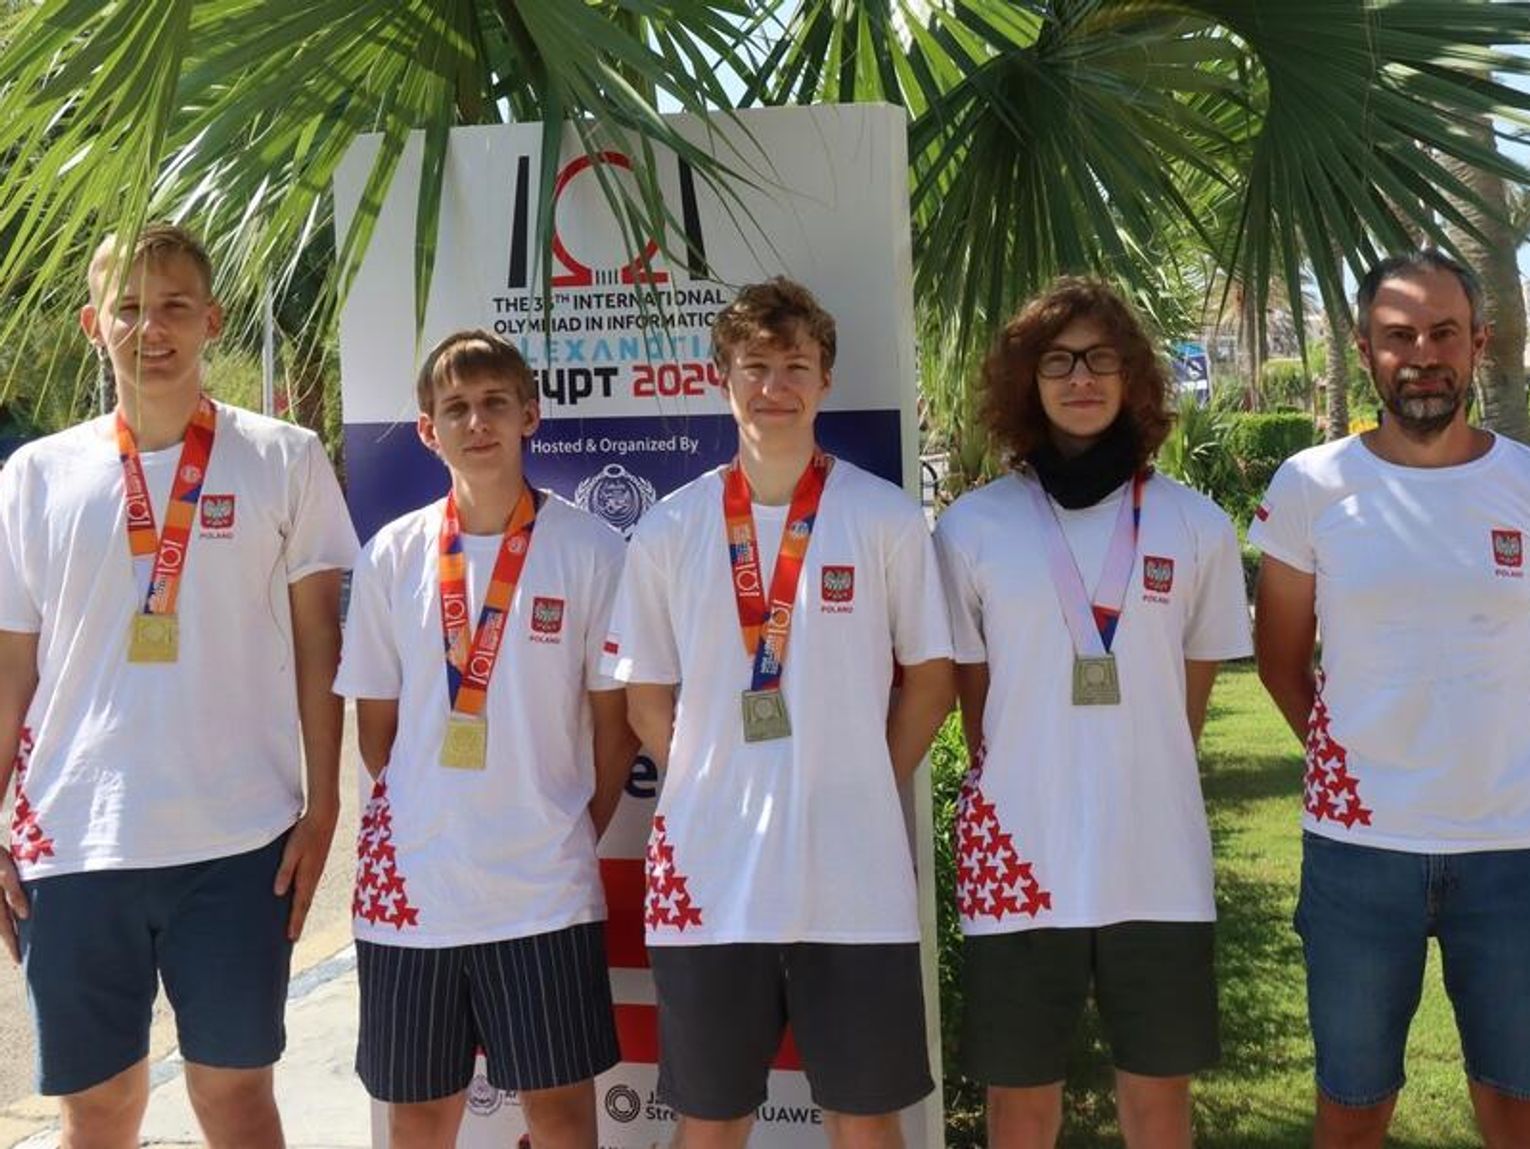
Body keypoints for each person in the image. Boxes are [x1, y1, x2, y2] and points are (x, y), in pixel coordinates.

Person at [0, 223, 357, 1148]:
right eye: (128, 308)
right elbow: (11, 670)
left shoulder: (285, 456)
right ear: (93, 324)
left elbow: (321, 645)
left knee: (235, 1098)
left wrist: (324, 806)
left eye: (173, 307)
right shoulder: (35, 476)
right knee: (99, 1109)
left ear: (212, 321)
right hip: (75, 840)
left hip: (239, 838)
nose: (149, 329)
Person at [604, 277, 954, 1149]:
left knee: (866, 1119)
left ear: (825, 379)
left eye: (795, 365)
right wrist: (709, 776)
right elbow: (643, 693)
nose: (774, 385)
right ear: (719, 376)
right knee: (710, 1120)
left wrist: (862, 779)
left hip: (853, 879)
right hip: (711, 876)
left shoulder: (884, 518)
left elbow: (932, 678)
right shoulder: (670, 528)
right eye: (755, 365)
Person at [933, 278, 1251, 1149]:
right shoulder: (970, 528)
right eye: (1058, 361)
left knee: (1158, 1101)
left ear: (1133, 377)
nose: (1080, 377)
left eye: (1100, 358)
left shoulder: (1197, 526)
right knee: (1020, 1106)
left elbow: (1185, 709)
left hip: (1155, 855)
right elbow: (978, 710)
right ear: (1026, 382)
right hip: (1019, 858)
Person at [1251, 250, 1530, 1149]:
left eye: (1444, 333)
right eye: (1399, 335)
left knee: (1517, 1105)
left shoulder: (1524, 483)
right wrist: (1352, 762)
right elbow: (1280, 661)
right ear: (1365, 347)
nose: (1423, 355)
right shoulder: (1311, 484)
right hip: (1359, 852)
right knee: (1353, 1106)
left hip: (1513, 847)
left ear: (1479, 343)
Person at [334, 330, 632, 1149]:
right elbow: (377, 735)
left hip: (544, 889)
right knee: (421, 1117)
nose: (477, 422)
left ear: (529, 414)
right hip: (415, 892)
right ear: (427, 430)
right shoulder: (392, 555)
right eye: (456, 408)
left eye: (495, 402)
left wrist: (562, 827)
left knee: (561, 1113)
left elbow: (615, 733)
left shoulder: (591, 549)